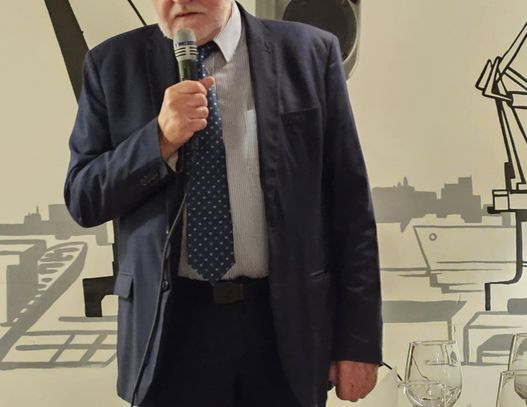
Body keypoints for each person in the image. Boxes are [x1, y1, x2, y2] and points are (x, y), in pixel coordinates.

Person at [64, 0, 382, 406]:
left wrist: (358, 342)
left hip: (284, 327)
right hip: (169, 332)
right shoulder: (111, 64)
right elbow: (84, 197)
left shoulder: (311, 53)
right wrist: (159, 141)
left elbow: (350, 208)